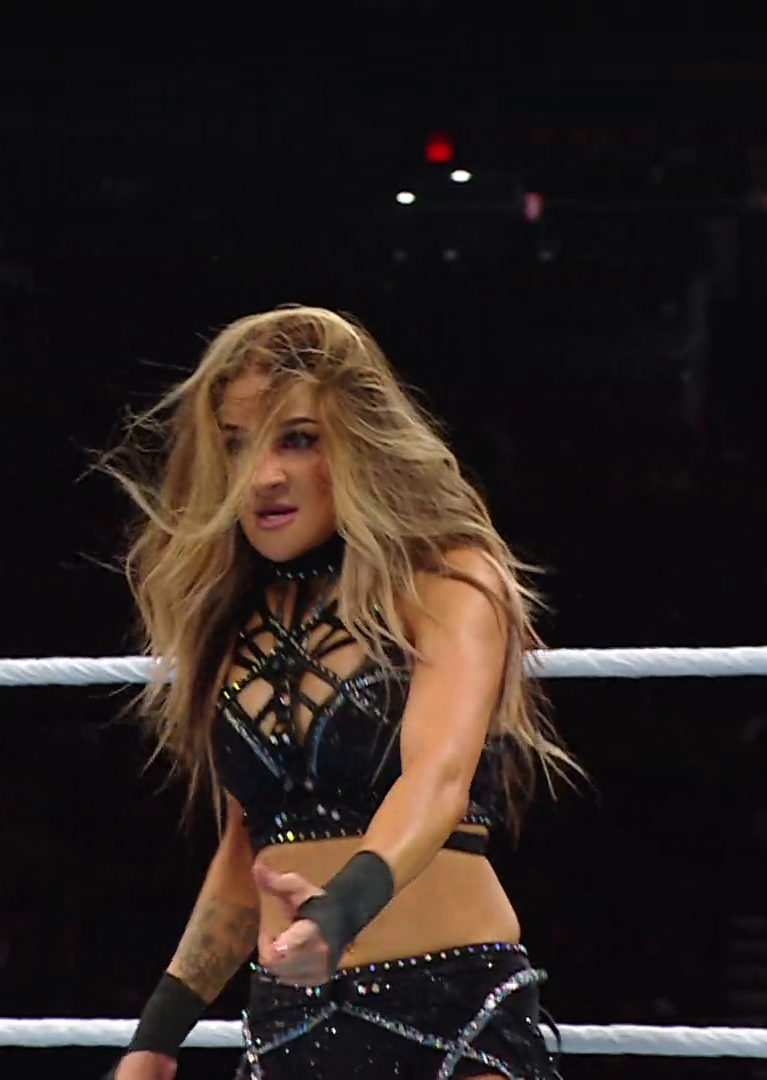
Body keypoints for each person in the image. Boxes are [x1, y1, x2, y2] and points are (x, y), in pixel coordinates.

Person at [101, 306, 577, 1079]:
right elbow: (247, 851)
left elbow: (439, 778)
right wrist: (156, 1038)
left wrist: (335, 915)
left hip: (450, 1007)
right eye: (236, 443)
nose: (263, 476)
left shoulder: (447, 578)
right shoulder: (236, 624)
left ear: (358, 440)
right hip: (291, 1020)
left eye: (296, 439)